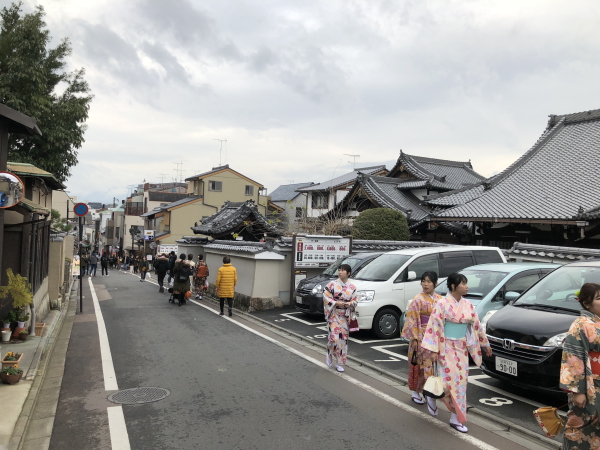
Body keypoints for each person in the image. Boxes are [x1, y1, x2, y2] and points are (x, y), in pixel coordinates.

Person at [422, 272, 492, 433]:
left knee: (460, 384)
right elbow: (434, 326)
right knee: (446, 382)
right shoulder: (442, 304)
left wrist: (485, 344)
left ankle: (455, 418)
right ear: (453, 286)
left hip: (461, 348)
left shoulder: (468, 305)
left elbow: (477, 326)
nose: (467, 287)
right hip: (445, 347)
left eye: (466, 283)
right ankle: (432, 395)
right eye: (463, 283)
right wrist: (433, 349)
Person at [560, 283, 600, 450]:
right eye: (599, 298)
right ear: (586, 303)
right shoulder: (581, 324)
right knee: (582, 424)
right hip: (590, 385)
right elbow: (572, 358)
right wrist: (578, 391)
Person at [401, 271, 443, 406]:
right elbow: (412, 318)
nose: (425, 284)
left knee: (432, 365)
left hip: (435, 336)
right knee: (418, 365)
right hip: (421, 335)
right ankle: (415, 391)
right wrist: (414, 337)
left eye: (429, 281)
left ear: (435, 283)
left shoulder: (440, 300)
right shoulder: (418, 299)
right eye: (423, 281)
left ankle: (428, 391)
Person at [322, 263, 358, 373]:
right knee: (334, 338)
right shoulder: (332, 284)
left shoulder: (352, 287)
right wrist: (335, 302)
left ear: (348, 273)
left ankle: (339, 363)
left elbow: (355, 301)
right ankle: (329, 353)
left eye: (343, 270)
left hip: (344, 316)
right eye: (339, 270)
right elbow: (325, 296)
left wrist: (350, 304)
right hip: (333, 314)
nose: (340, 272)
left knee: (343, 341)